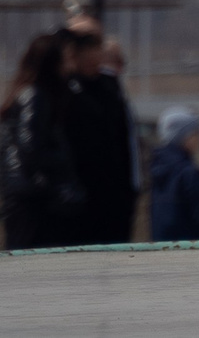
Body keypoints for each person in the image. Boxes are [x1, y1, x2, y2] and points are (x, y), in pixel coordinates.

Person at [0, 33, 86, 249]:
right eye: (64, 59)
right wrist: (62, 160)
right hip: (31, 194)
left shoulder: (32, 92)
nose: (69, 65)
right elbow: (30, 147)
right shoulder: (34, 96)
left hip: (25, 190)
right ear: (51, 63)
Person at [59, 22, 137, 244]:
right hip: (81, 196)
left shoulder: (109, 85)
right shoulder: (65, 88)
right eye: (89, 45)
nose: (97, 52)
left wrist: (128, 191)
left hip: (115, 194)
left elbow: (122, 139)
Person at [148, 107, 199, 243]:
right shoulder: (189, 172)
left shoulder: (156, 167)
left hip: (161, 245)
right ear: (185, 136)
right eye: (197, 132)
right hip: (190, 247)